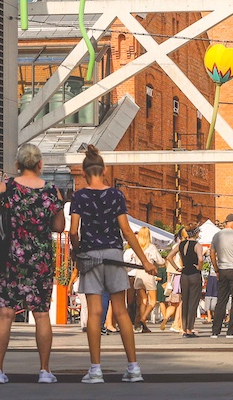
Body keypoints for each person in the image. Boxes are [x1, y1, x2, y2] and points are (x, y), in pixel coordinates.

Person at [69, 144, 157, 384]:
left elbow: (74, 231)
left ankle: (95, 369)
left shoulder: (79, 196)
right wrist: (145, 261)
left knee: (95, 312)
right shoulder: (116, 195)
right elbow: (127, 231)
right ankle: (133, 367)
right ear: (104, 170)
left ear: (85, 173)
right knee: (120, 311)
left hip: (90, 255)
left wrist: (77, 252)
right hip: (114, 253)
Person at [0, 144, 65, 384]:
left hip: (11, 256)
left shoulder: (7, 187)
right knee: (41, 314)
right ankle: (44, 370)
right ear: (40, 165)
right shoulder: (52, 191)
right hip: (40, 259)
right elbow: (59, 226)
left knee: (5, 313)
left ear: (17, 164)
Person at [124, 226, 161, 333]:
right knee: (153, 301)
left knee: (143, 300)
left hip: (138, 275)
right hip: (148, 274)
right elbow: (160, 260)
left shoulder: (137, 248)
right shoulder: (151, 247)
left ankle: (144, 326)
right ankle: (143, 318)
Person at [177, 228, 203, 338]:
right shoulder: (197, 245)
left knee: (185, 301)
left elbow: (169, 257)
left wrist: (178, 268)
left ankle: (184, 328)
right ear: (196, 233)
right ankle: (189, 328)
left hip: (184, 274)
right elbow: (200, 259)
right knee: (193, 302)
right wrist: (199, 267)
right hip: (194, 274)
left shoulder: (181, 244)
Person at [158, 231, 184, 333]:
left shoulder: (174, 247)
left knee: (173, 303)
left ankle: (166, 318)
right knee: (181, 302)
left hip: (172, 276)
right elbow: (181, 261)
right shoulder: (181, 247)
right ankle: (177, 324)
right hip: (180, 275)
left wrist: (168, 277)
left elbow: (168, 261)